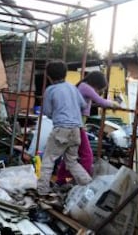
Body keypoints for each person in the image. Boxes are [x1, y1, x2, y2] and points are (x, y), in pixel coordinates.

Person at [37, 60, 91, 196]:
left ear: (48, 76)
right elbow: (83, 105)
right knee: (72, 161)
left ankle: (42, 191)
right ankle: (89, 185)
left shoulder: (50, 90)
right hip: (76, 130)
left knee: (48, 160)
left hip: (61, 129)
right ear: (66, 74)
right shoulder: (72, 88)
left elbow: (47, 111)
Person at [56, 70, 120, 185]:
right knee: (87, 156)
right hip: (75, 125)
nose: (99, 91)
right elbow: (101, 102)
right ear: (96, 84)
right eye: (100, 89)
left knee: (70, 157)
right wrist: (114, 104)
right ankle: (81, 184)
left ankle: (60, 182)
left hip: (74, 124)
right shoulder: (85, 87)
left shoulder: (82, 87)